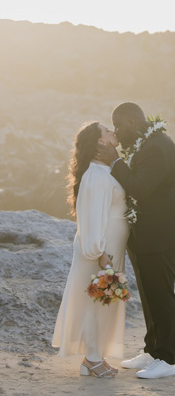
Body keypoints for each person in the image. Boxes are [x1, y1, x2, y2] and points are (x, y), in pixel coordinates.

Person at [96, 102, 175, 379]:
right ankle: (152, 350)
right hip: (146, 235)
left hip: (162, 234)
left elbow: (140, 187)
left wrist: (115, 161)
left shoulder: (156, 146)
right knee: (150, 296)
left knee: (161, 296)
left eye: (117, 126)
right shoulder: (146, 143)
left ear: (130, 122)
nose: (116, 131)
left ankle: (166, 360)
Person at [52, 122, 129, 377]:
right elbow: (91, 218)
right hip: (100, 249)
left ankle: (95, 357)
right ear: (99, 142)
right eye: (107, 131)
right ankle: (92, 359)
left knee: (104, 302)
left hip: (109, 246)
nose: (113, 132)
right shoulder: (96, 175)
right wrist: (100, 254)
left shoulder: (104, 170)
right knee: (96, 302)